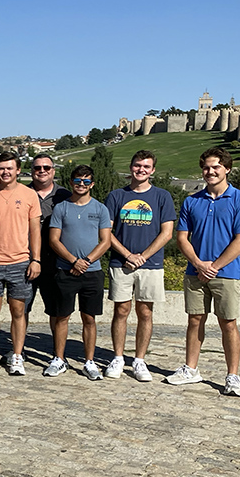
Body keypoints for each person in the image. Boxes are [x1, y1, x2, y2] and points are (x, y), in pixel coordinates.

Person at [168, 147, 240, 397]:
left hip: (226, 273)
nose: (210, 171)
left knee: (228, 323)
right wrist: (198, 263)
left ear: (227, 168)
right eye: (206, 167)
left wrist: (213, 266)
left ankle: (233, 376)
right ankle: (191, 369)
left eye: (216, 166)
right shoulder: (191, 201)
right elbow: (182, 238)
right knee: (195, 320)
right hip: (195, 272)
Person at [104, 150, 176, 381]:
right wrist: (127, 254)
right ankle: (117, 357)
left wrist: (143, 256)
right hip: (121, 262)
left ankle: (139, 360)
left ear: (152, 170)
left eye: (146, 166)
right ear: (131, 167)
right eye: (137, 166)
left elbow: (167, 233)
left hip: (151, 264)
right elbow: (106, 232)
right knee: (121, 311)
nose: (141, 170)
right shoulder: (116, 196)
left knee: (145, 312)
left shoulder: (162, 196)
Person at [0, 152, 41, 376]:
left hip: (20, 261)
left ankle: (17, 355)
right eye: (1, 168)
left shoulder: (29, 195)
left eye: (10, 168)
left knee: (18, 311)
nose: (5, 172)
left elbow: (35, 230)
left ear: (18, 170)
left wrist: (36, 259)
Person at [43, 165, 112, 380]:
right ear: (71, 182)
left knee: (89, 318)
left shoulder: (100, 208)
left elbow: (106, 240)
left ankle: (89, 361)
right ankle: (59, 359)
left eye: (86, 181)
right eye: (77, 181)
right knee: (61, 316)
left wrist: (87, 261)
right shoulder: (61, 208)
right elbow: (54, 240)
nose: (81, 185)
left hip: (92, 272)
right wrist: (73, 260)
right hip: (65, 270)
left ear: (92, 184)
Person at [27, 153, 71, 319]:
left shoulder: (65, 196)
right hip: (26, 259)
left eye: (46, 167)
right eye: (37, 168)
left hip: (56, 261)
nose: (42, 171)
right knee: (21, 310)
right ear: (32, 171)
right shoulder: (22, 193)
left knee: (56, 311)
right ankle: (18, 345)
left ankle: (56, 346)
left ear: (53, 171)